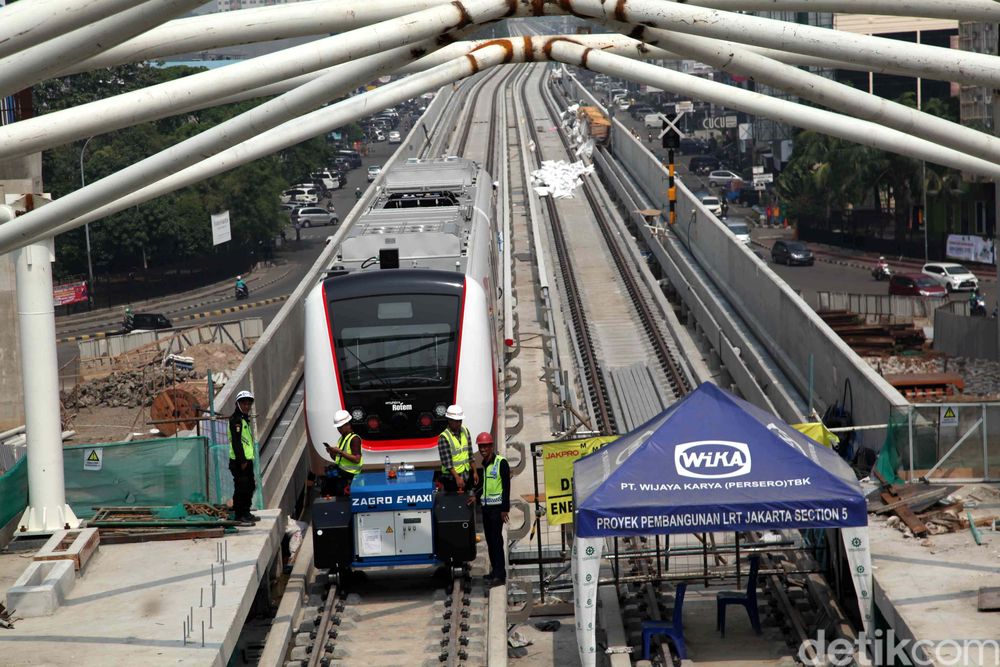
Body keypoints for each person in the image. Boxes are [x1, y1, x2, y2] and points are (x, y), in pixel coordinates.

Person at [472, 432, 510, 586]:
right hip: (487, 509)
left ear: (491, 446)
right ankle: (495, 571)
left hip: (497, 510)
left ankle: (500, 575)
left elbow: (506, 486)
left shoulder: (501, 462)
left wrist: (504, 509)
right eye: (481, 446)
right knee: (490, 541)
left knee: (496, 541)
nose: (483, 449)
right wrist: (476, 496)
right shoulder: (485, 464)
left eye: (486, 446)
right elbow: (485, 486)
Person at [229, 390, 259, 523]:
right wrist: (242, 460)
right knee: (242, 487)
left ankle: (246, 511)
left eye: (248, 404)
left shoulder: (243, 419)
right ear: (238, 404)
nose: (247, 406)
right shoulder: (236, 420)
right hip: (239, 461)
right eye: (244, 403)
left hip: (247, 460)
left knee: (250, 486)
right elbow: (236, 442)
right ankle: (240, 514)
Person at [437, 404, 478, 493]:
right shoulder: (444, 437)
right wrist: (457, 478)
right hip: (451, 479)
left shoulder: (465, 431)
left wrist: (475, 471)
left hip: (465, 475)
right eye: (456, 421)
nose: (459, 423)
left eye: (460, 420)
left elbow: (470, 454)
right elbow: (447, 463)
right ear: (449, 421)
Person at [322, 410, 363, 496]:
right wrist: (331, 452)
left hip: (352, 477)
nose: (339, 429)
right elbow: (338, 459)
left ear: (348, 424)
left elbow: (357, 459)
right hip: (343, 475)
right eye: (338, 427)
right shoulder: (342, 439)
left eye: (340, 427)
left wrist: (340, 452)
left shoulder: (354, 439)